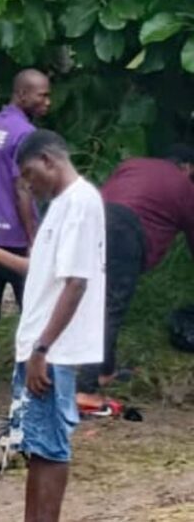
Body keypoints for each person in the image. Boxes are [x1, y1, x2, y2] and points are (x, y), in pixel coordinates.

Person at [0, 130, 105, 522]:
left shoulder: (81, 203)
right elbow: (43, 272)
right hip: (36, 346)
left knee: (52, 447)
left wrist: (44, 349)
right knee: (35, 447)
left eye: (28, 174)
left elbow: (76, 282)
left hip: (50, 350)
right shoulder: (58, 206)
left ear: (48, 161)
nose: (27, 184)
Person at [76, 143, 194, 403]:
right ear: (186, 168)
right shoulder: (184, 185)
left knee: (94, 300)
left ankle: (104, 371)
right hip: (125, 232)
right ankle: (85, 389)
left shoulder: (132, 164)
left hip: (92, 221)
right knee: (111, 309)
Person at [0, 69, 51, 393]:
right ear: (22, 95)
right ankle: (33, 384)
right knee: (33, 313)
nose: (47, 101)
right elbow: (23, 189)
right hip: (14, 241)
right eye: (41, 95)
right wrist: (34, 240)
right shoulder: (25, 134)